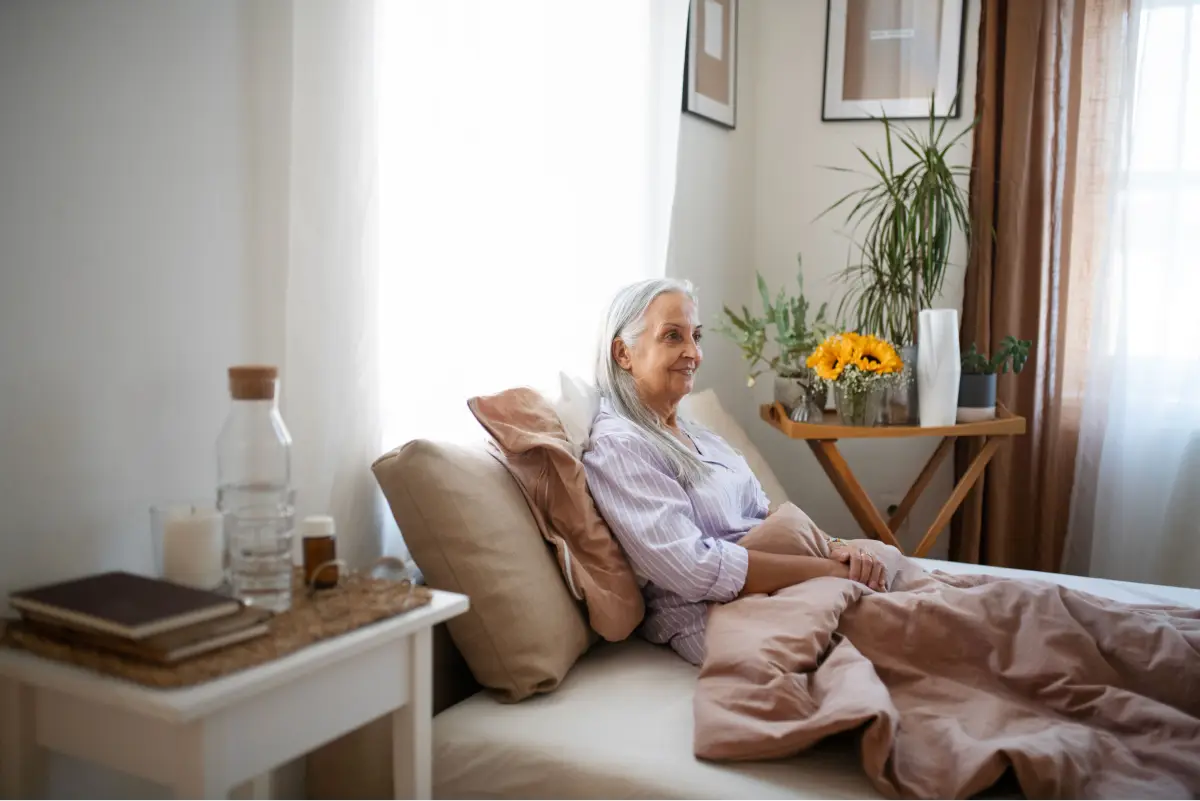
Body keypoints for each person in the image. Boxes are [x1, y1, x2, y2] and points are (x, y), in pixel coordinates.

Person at [582, 277, 888, 666]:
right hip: (723, 611)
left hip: (786, 583)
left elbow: (762, 510)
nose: (693, 352)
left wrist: (837, 547)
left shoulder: (694, 431)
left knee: (892, 569)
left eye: (696, 336)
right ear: (623, 353)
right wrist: (826, 571)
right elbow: (693, 568)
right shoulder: (621, 447)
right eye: (673, 336)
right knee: (912, 631)